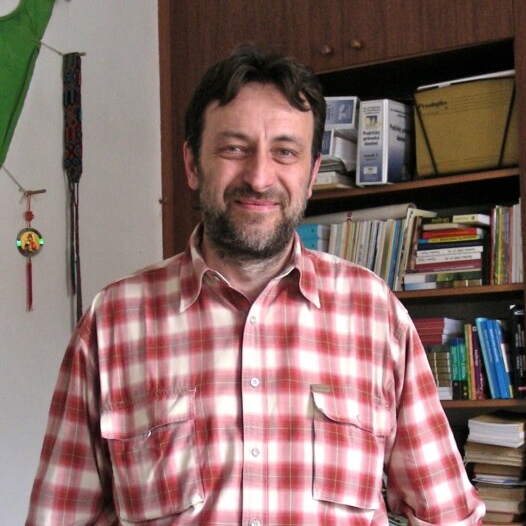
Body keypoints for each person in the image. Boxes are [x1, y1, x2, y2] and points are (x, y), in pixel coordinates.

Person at [26, 44, 485, 525]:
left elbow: (446, 515)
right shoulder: (113, 322)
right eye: (234, 148)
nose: (260, 177)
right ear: (192, 164)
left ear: (311, 175)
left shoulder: (375, 314)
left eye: (284, 152)